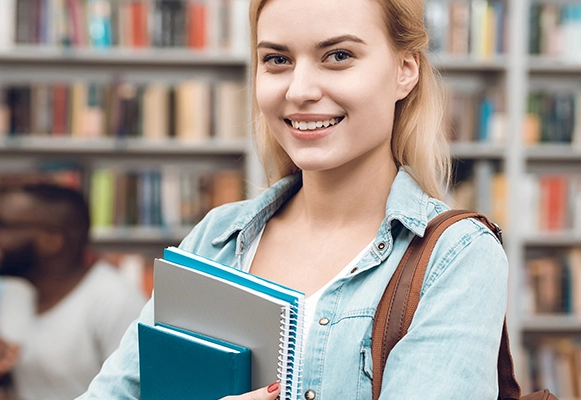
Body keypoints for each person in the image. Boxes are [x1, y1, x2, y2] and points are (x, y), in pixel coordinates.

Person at [79, 0, 509, 398]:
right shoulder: (217, 238)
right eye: (277, 60)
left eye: (338, 56)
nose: (299, 90)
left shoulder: (456, 257)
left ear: (404, 70)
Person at [0, 184, 145, 400]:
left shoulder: (116, 301)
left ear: (51, 240)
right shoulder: (15, 296)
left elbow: (137, 393)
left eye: (3, 226)